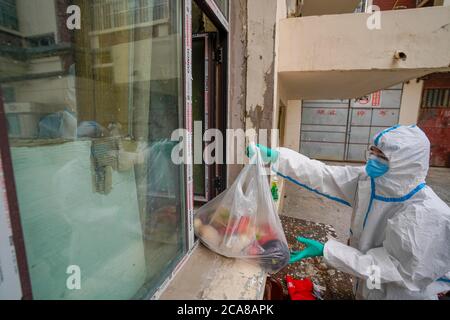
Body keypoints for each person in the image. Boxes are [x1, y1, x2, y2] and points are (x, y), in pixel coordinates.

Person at [248, 125, 450, 300]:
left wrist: (327, 250)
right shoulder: (371, 181)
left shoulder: (428, 216)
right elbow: (324, 176)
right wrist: (276, 158)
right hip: (365, 287)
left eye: (382, 157)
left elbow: (387, 268)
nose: (373, 159)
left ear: (406, 164)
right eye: (373, 151)